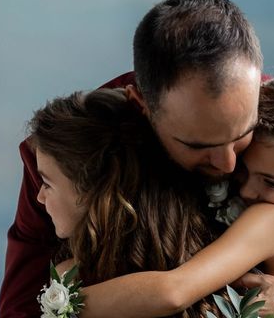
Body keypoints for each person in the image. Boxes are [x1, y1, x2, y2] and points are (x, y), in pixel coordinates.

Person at [0, 0, 274, 318]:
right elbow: (21, 303)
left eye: (242, 135)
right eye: (198, 145)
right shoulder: (69, 151)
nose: (229, 165)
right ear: (142, 105)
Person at [74, 67, 274, 317]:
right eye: (243, 170)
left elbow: (174, 292)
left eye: (271, 182)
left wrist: (59, 305)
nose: (248, 190)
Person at [29, 88, 220, 317]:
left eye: (48, 183)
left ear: (93, 190)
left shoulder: (72, 289)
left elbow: (172, 294)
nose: (39, 197)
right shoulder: (68, 280)